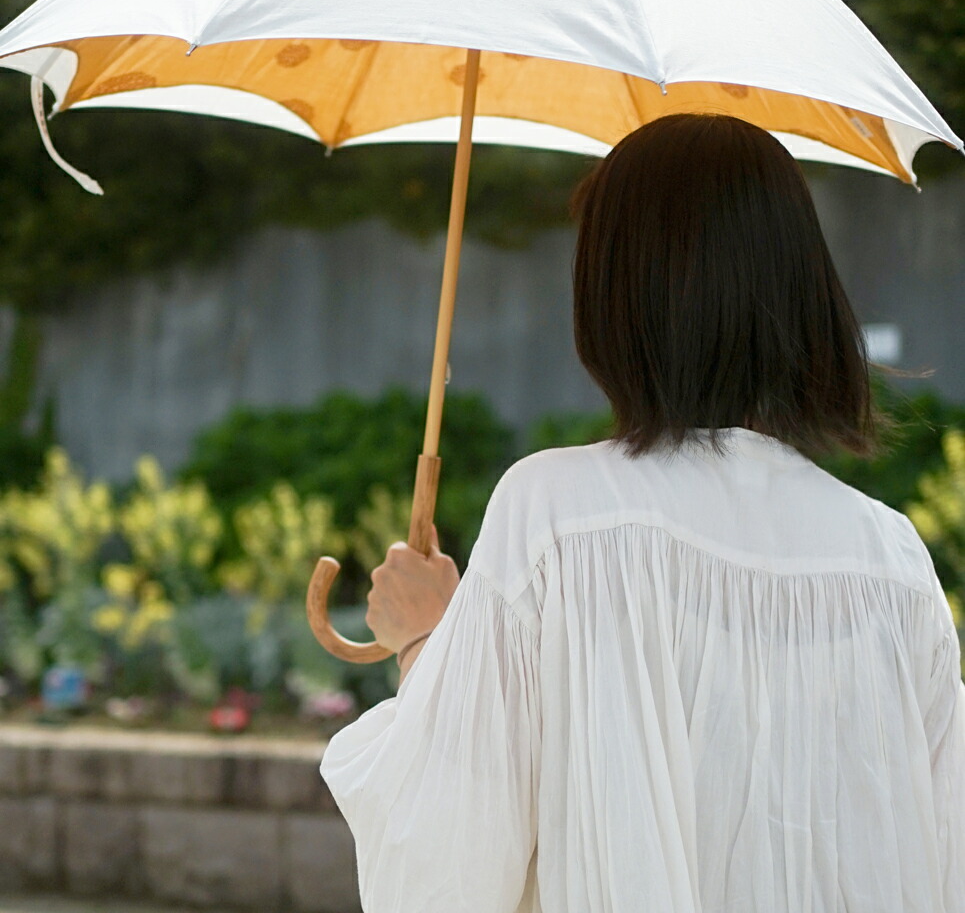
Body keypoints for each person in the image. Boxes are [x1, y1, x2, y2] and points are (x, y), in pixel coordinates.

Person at [320, 113, 965, 913]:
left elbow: (450, 854)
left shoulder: (557, 514)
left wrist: (422, 638)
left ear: (616, 296)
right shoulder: (891, 562)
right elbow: (942, 856)